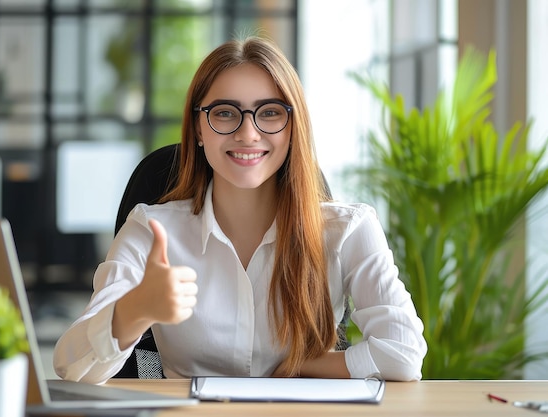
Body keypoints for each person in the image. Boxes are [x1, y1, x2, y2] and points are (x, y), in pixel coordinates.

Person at [53, 36, 427, 384]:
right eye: (225, 113)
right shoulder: (151, 230)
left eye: (269, 113)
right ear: (199, 128)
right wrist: (135, 310)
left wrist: (306, 365)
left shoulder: (348, 231)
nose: (248, 133)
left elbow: (404, 352)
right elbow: (71, 366)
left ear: (293, 128)